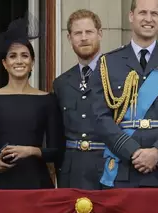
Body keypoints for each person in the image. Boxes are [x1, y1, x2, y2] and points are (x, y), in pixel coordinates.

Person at [89, 0, 158, 188]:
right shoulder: (108, 63)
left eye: (154, 14)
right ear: (131, 16)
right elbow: (100, 117)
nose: (149, 19)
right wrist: (131, 151)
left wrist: (157, 151)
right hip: (123, 168)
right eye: (143, 13)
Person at [0, 17, 63, 189]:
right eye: (13, 56)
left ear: (32, 62)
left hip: (35, 184)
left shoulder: (48, 100)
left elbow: (57, 151)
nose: (19, 61)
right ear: (5, 63)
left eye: (25, 56)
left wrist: (31, 151)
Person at [53, 9, 105, 190]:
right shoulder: (61, 83)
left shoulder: (117, 75)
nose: (83, 38)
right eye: (77, 33)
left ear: (99, 34)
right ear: (69, 38)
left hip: (108, 168)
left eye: (89, 32)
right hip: (72, 172)